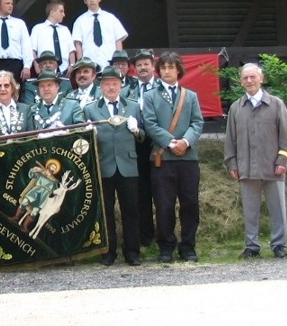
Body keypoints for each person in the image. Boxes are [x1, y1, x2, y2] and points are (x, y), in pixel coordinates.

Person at [224, 63, 287, 260]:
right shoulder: (236, 108)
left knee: (277, 208)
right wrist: (232, 163)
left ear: (261, 79)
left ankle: (279, 245)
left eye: (252, 77)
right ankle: (252, 245)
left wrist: (282, 160)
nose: (249, 81)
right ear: (240, 81)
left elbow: (286, 136)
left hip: (273, 167)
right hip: (246, 168)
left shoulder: (276, 104)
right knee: (250, 210)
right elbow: (230, 139)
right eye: (245, 78)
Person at [142, 52, 204, 263]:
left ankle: (188, 247)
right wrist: (170, 142)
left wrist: (185, 142)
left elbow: (197, 123)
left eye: (170, 67)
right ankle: (166, 246)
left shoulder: (191, 96)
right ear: (158, 71)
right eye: (163, 68)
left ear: (178, 69)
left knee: (190, 204)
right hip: (162, 159)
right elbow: (149, 124)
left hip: (188, 159)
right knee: (164, 205)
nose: (166, 71)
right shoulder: (149, 96)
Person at [83, 67, 144, 266]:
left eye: (115, 83)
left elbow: (144, 137)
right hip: (104, 165)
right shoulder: (91, 109)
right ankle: (108, 252)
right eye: (107, 84)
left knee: (131, 210)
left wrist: (136, 131)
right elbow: (84, 144)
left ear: (121, 85)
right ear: (100, 86)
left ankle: (132, 252)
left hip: (128, 164)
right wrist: (89, 134)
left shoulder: (133, 107)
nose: (111, 87)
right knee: (106, 211)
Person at [125, 49, 161, 246]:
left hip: (158, 144)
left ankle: (165, 236)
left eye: (146, 64)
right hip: (136, 145)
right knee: (141, 191)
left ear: (153, 66)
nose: (142, 68)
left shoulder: (163, 89)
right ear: (134, 69)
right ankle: (146, 236)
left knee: (162, 191)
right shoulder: (128, 91)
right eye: (139, 65)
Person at [71, 0, 127, 71]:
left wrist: (118, 60)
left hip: (110, 61)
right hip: (89, 64)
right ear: (85, 1)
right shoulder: (79, 21)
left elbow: (118, 40)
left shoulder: (111, 18)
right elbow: (78, 44)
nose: (92, 0)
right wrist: (81, 64)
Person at [30, 0, 76, 76]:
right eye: (61, 11)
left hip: (64, 70)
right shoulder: (38, 28)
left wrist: (72, 65)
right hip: (45, 69)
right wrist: (37, 67)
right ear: (52, 12)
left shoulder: (65, 29)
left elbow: (71, 50)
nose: (64, 14)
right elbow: (32, 50)